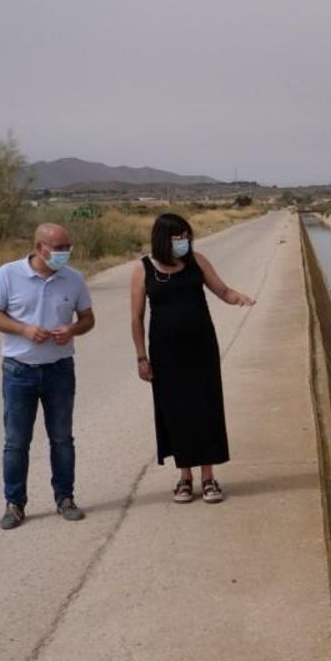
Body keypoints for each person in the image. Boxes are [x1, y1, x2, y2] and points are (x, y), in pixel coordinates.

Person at [130, 213, 254, 503]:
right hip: (165, 353)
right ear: (162, 238)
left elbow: (222, 290)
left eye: (185, 236)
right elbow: (136, 318)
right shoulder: (143, 269)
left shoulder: (196, 260)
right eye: (177, 237)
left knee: (205, 408)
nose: (183, 242)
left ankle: (208, 478)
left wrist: (239, 298)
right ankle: (184, 478)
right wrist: (141, 358)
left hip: (201, 348)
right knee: (176, 412)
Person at [0, 223, 95, 530]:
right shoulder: (8, 274)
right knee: (16, 442)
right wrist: (24, 329)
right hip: (19, 371)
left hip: (60, 369)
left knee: (62, 439)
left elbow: (88, 319)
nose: (64, 253)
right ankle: (14, 504)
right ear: (39, 247)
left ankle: (65, 499)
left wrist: (71, 330)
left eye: (67, 247)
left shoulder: (73, 279)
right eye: (59, 248)